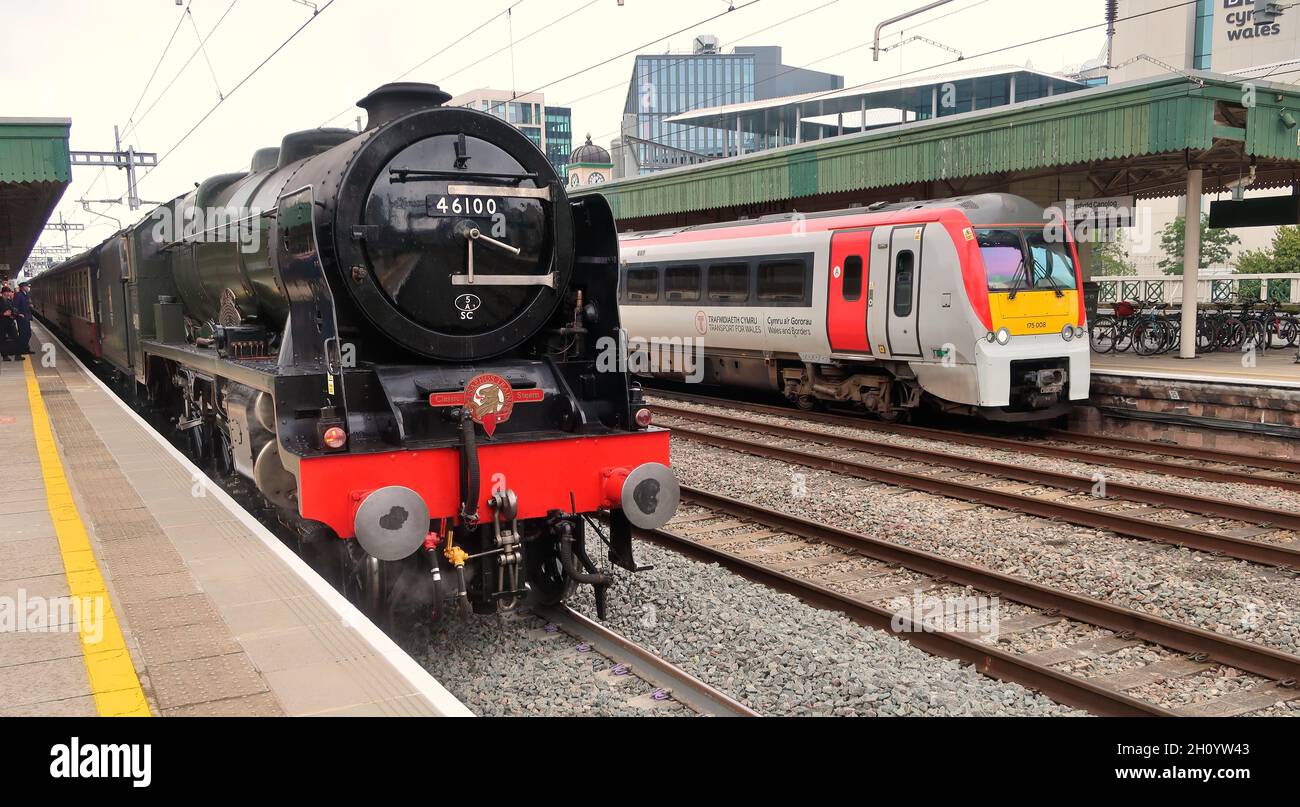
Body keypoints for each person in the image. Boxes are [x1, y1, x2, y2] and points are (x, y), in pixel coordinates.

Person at [0, 288, 21, 361]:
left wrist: (14, 314)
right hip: (2, 323)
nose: (8, 294)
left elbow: (12, 310)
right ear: (3, 293)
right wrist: (3, 314)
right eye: (7, 292)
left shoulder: (9, 300)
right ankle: (5, 356)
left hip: (10, 322)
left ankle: (18, 355)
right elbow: (4, 312)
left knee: (16, 338)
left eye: (9, 292)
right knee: (2, 340)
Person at [13, 281, 32, 355]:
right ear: (23, 287)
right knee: (23, 334)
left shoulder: (26, 295)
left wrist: (30, 305)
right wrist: (18, 314)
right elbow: (15, 306)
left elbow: (26, 304)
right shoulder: (18, 295)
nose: (28, 288)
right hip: (21, 318)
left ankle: (26, 348)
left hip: (26, 317)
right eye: (27, 286)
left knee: (28, 333)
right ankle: (22, 350)